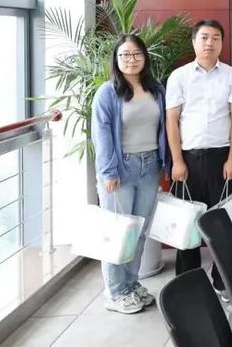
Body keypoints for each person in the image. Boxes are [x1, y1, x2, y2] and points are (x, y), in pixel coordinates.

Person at [165, 20, 232, 293]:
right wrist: (177, 161)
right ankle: (189, 284)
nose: (210, 43)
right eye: (204, 37)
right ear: (194, 42)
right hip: (188, 160)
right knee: (187, 228)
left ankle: (223, 283)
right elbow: (172, 120)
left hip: (222, 159)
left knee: (223, 226)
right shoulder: (179, 77)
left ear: (222, 42)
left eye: (215, 38)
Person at [91, 34, 167, 314]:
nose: (131, 60)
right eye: (124, 55)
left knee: (139, 232)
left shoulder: (156, 89)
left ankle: (131, 285)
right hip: (120, 169)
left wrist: (165, 162)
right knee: (117, 233)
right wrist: (108, 171)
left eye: (136, 54)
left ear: (145, 57)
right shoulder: (107, 93)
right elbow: (101, 135)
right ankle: (115, 292)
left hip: (150, 167)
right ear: (116, 59)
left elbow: (164, 129)